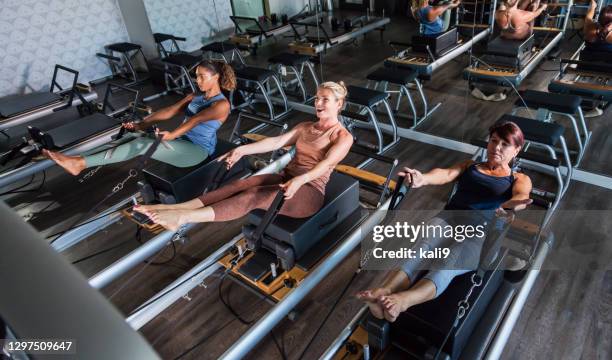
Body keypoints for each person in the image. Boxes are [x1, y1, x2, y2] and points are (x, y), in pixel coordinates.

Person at [357, 121, 533, 322]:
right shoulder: (471, 165)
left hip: (481, 233)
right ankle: (385, 290)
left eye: (505, 144)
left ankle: (402, 300)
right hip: (448, 220)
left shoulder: (518, 178)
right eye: (493, 141)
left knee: (448, 263)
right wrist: (422, 179)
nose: (497, 148)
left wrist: (511, 206)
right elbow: (446, 173)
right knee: (421, 248)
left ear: (516, 150)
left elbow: (521, 197)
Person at [134, 81, 354, 231]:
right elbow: (276, 142)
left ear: (339, 104)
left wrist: (300, 180)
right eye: (317, 98)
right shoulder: (306, 126)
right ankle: (173, 208)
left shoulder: (342, 136)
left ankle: (184, 218)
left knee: (252, 196)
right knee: (240, 184)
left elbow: (326, 164)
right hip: (287, 177)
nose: (318, 103)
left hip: (310, 191)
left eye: (325, 99)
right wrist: (241, 149)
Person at [43, 60, 236, 176]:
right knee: (129, 137)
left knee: (143, 145)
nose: (197, 80)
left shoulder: (222, 104)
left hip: (196, 152)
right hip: (180, 141)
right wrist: (141, 125)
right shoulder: (195, 96)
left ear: (216, 77)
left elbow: (196, 120)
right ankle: (77, 160)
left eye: (202, 76)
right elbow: (169, 111)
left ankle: (79, 164)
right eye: (196, 76)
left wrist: (171, 135)